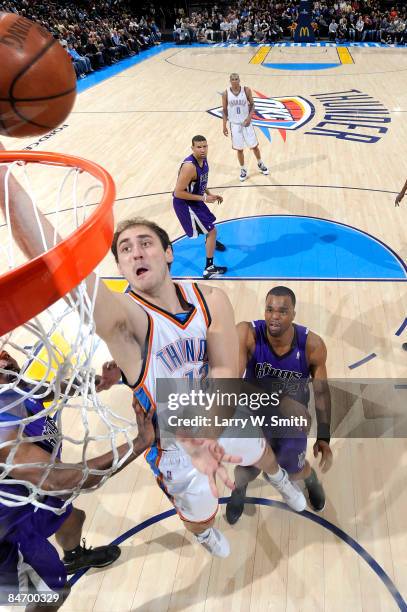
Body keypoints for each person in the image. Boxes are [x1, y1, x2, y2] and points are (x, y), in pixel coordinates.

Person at [0, 149, 307, 564]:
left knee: (260, 452)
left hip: (220, 412)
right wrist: (4, 180)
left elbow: (224, 371)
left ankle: (279, 478)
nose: (136, 252)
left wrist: (210, 431)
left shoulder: (211, 298)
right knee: (198, 515)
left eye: (145, 243)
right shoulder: (127, 322)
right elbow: (62, 270)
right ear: (122, 268)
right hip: (173, 445)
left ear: (168, 253)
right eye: (125, 250)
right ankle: (203, 534)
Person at [0, 350, 155, 610]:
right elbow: (60, 480)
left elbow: (46, 391)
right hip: (9, 528)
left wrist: (99, 383)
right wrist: (139, 443)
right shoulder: (3, 435)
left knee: (74, 519)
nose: (4, 359)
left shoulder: (13, 390)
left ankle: (74, 557)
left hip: (31, 492)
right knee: (55, 593)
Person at [226, 286, 333, 525]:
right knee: (246, 470)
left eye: (282, 311)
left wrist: (324, 436)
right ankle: (238, 489)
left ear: (294, 314)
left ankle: (311, 477)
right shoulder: (247, 333)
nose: (274, 316)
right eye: (269, 309)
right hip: (254, 413)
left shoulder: (312, 346)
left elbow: (322, 392)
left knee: (294, 471)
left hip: (290, 422)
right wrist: (280, 400)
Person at [173, 135, 227, 280]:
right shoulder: (189, 167)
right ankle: (209, 268)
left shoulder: (203, 159)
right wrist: (204, 198)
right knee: (212, 230)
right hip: (185, 203)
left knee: (209, 227)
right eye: (199, 147)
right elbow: (178, 193)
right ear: (192, 148)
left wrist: (209, 193)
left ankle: (210, 242)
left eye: (205, 146)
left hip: (195, 200)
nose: (202, 150)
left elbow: (200, 181)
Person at [222, 73, 269, 182]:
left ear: (239, 80)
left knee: (254, 146)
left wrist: (249, 117)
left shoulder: (246, 90)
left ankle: (260, 163)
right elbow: (224, 111)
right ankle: (243, 169)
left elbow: (252, 105)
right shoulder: (225, 94)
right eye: (232, 79)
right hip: (234, 124)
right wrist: (224, 126)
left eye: (236, 79)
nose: (235, 81)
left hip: (247, 123)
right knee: (239, 149)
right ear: (230, 81)